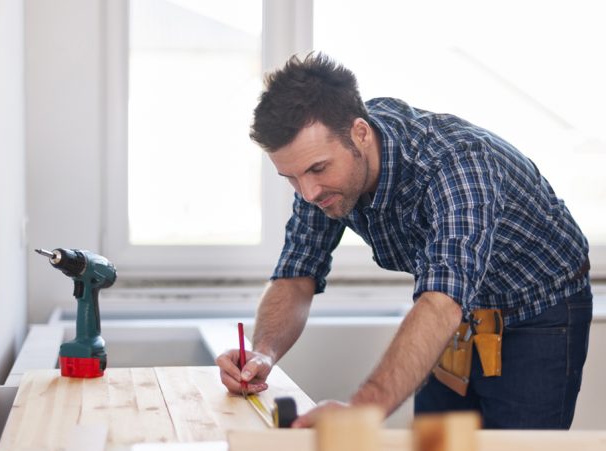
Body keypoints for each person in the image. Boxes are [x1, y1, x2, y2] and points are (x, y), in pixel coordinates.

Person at [215, 52, 593, 429]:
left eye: (317, 169)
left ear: (360, 134)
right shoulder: (321, 172)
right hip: (457, 317)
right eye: (292, 178)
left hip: (537, 308)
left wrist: (362, 410)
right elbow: (297, 272)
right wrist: (262, 354)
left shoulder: (456, 163)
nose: (308, 192)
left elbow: (443, 301)